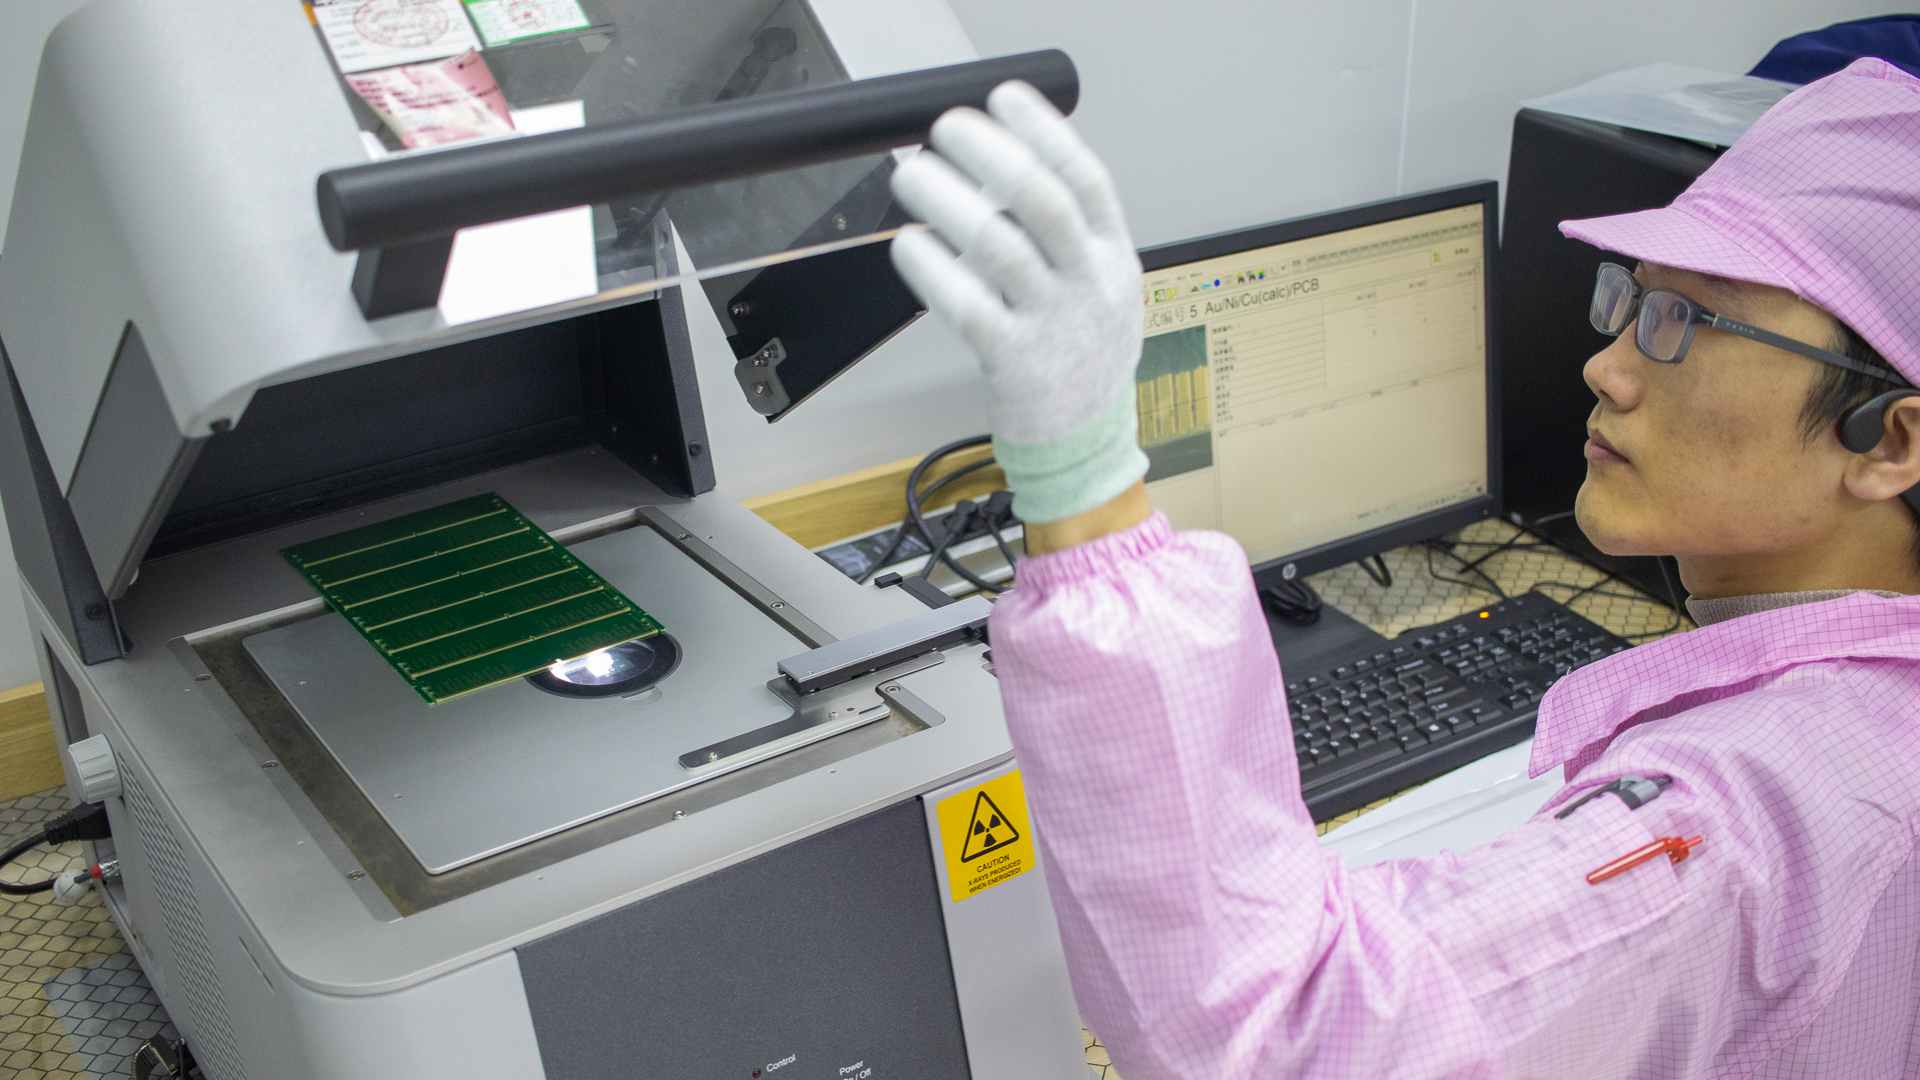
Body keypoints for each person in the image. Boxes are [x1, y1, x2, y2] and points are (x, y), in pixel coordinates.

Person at [887, 58, 1920, 1078]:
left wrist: (1083, 479)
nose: (1605, 367)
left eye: (1686, 322)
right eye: (1634, 300)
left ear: (1890, 441)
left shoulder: (1736, 829)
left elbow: (1282, 1038)